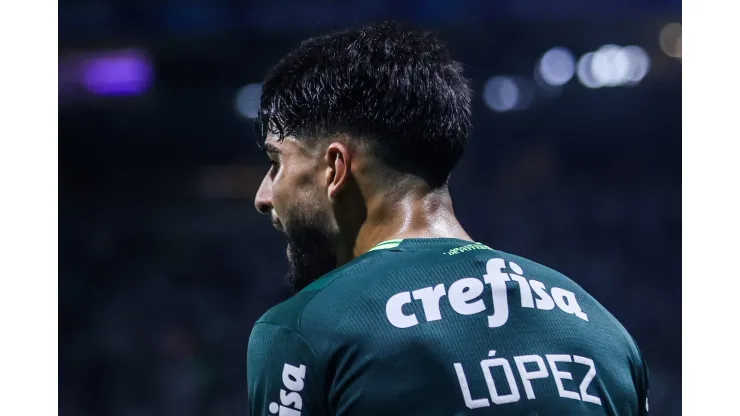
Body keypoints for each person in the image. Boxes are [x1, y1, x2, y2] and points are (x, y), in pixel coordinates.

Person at [247, 21, 649, 416]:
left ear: (336, 167)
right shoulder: (604, 332)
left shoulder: (304, 331)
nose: (263, 198)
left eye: (275, 163)